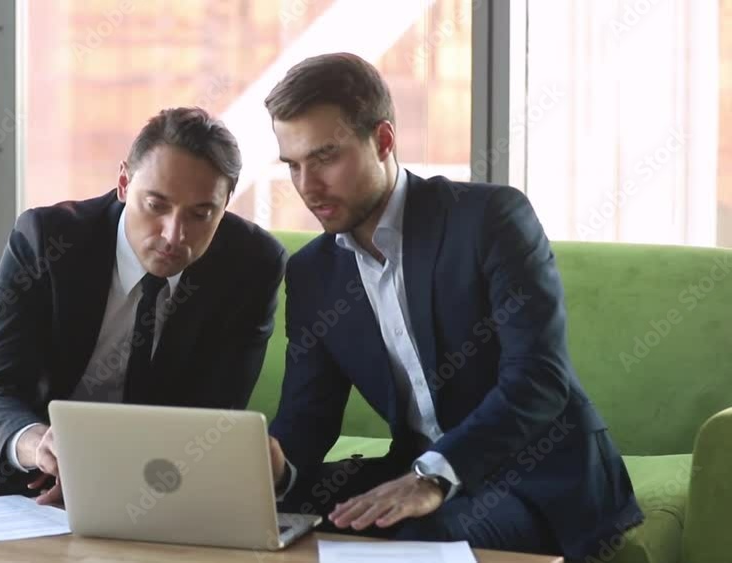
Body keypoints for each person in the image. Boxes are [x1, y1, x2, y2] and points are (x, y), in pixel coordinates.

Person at [263, 53, 642, 560]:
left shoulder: (489, 220)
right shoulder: (314, 272)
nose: (307, 186)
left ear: (382, 141)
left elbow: (537, 380)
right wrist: (276, 470)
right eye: (293, 165)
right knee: (268, 516)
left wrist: (433, 475)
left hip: (537, 477)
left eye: (326, 157)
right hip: (415, 469)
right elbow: (308, 417)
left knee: (422, 540)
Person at [0, 107, 287, 503]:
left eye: (200, 214)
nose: (174, 235)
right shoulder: (47, 241)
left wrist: (115, 480)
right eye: (156, 205)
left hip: (160, 478)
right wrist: (38, 444)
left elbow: (214, 416)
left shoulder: (251, 266)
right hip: (31, 472)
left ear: (226, 203)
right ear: (124, 183)